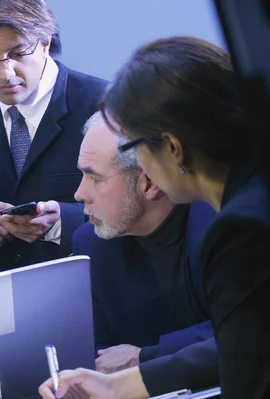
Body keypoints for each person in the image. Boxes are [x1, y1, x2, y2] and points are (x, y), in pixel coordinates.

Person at [39, 36, 270, 399]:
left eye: (136, 148)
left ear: (174, 149)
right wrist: (116, 385)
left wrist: (129, 378)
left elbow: (245, 352)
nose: (79, 194)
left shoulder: (242, 228)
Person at [0, 0, 107, 275]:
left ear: (45, 42)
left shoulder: (104, 105)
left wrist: (64, 222)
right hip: (17, 310)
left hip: (106, 295)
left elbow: (143, 205)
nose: (5, 73)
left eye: (18, 53)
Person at [72, 112, 218, 395]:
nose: (79, 194)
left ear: (149, 183)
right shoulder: (90, 244)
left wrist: (148, 356)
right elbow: (96, 356)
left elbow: (247, 335)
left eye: (94, 178)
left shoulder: (223, 222)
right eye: (82, 174)